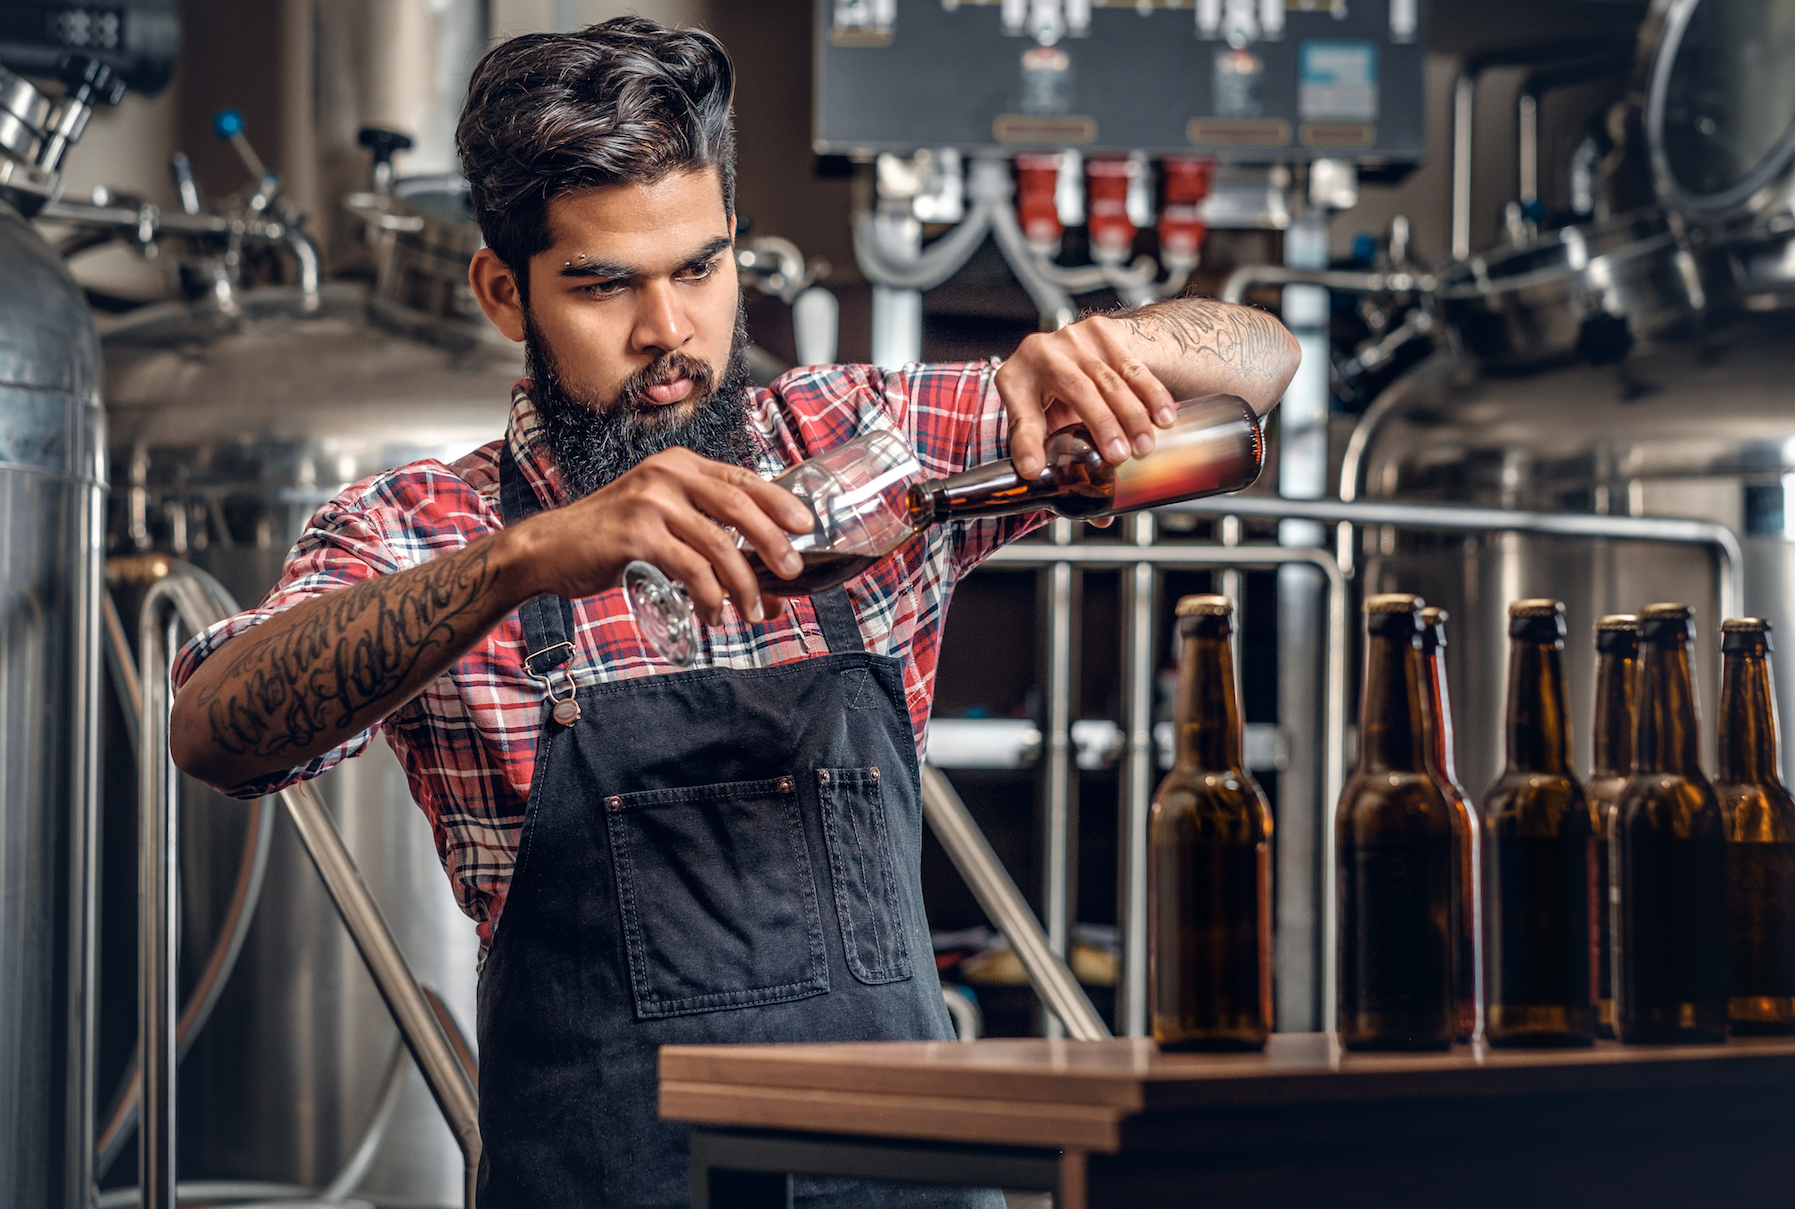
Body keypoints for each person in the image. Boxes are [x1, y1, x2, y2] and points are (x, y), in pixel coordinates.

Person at [170, 17, 1299, 1208]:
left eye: (700, 270)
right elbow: (212, 731)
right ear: (506, 292)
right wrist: (523, 561)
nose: (668, 332)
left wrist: (1103, 348)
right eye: (605, 284)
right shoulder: (426, 525)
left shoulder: (862, 443)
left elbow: (1261, 360)